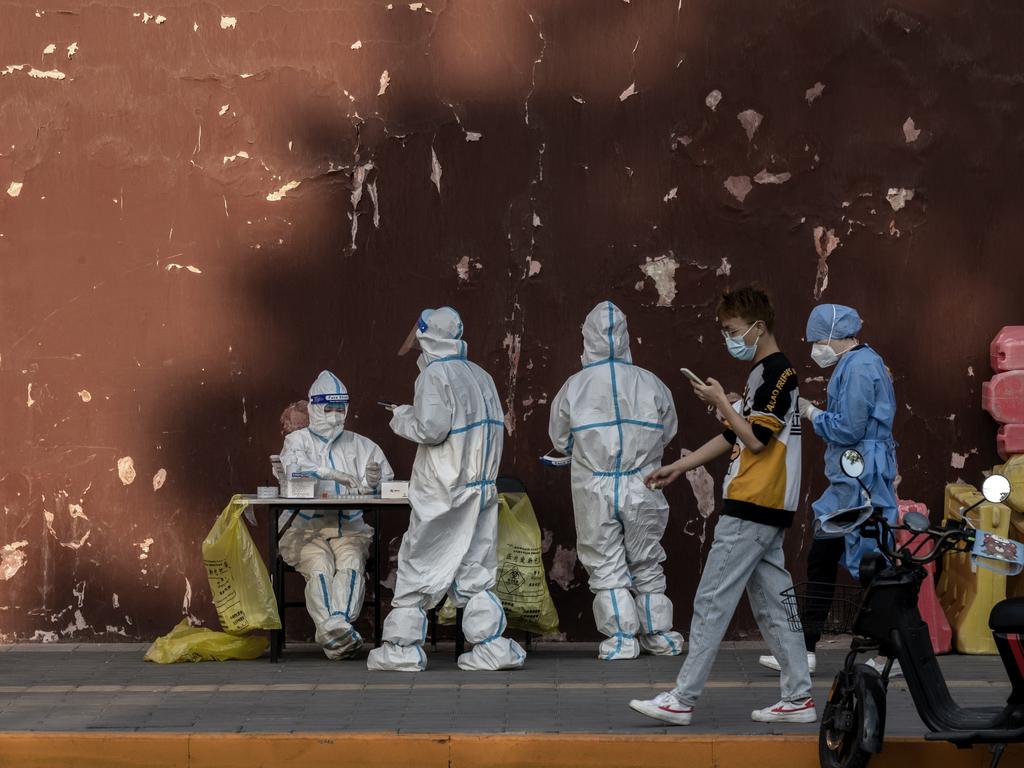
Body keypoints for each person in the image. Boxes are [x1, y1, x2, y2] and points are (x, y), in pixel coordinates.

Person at [629, 285, 815, 726]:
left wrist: (720, 404)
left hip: (753, 504)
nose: (729, 339)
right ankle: (798, 698)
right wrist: (681, 465)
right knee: (774, 604)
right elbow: (736, 434)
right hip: (766, 507)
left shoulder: (775, 374)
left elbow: (753, 438)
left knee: (712, 600)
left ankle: (683, 697)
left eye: (733, 330)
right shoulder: (763, 374)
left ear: (758, 327)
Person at [366, 307, 526, 672]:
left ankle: (402, 649)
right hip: (481, 488)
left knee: (420, 565)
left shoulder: (435, 376)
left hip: (445, 491)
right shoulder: (480, 375)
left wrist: (402, 416)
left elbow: (431, 430)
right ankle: (490, 647)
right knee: (475, 567)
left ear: (425, 337)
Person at [758, 304, 900, 677]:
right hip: (853, 479)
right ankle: (805, 648)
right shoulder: (859, 364)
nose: (815, 348)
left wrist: (810, 413)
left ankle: (888, 651)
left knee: (872, 565)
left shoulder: (858, 368)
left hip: (861, 481)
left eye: (819, 340)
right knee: (828, 556)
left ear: (839, 335)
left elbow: (849, 428)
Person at [548, 301, 684, 660]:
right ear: (626, 337)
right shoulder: (651, 383)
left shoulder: (574, 387)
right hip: (644, 483)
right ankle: (659, 633)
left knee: (605, 561)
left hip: (595, 485)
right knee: (647, 558)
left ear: (587, 337)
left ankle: (622, 638)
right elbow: (668, 430)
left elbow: (560, 439)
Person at [278, 370, 394, 660]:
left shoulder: (362, 445)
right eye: (327, 408)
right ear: (315, 407)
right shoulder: (298, 441)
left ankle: (335, 628)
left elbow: (388, 484)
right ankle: (338, 632)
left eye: (339, 409)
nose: (333, 415)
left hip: (349, 528)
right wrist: (330, 473)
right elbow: (293, 469)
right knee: (319, 566)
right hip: (305, 530)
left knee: (351, 564)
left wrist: (373, 481)